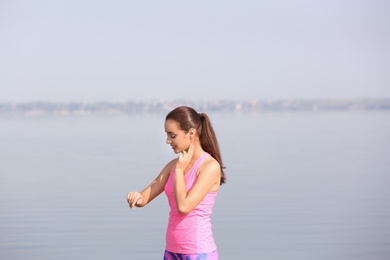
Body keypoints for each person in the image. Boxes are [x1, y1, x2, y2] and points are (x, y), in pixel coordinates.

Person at [126, 106, 226, 260]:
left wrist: (180, 171)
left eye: (172, 136)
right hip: (172, 251)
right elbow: (144, 198)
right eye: (167, 135)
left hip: (198, 252)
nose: (168, 141)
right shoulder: (173, 165)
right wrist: (135, 197)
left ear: (191, 133)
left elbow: (184, 207)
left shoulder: (209, 167)